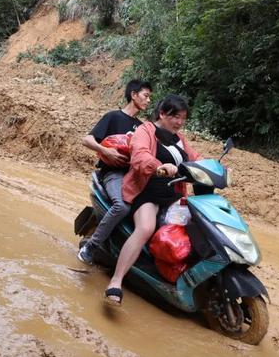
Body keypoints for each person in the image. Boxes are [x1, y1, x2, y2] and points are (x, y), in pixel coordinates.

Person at [104, 94, 202, 305]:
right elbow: (139, 155)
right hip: (147, 191)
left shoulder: (180, 139)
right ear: (162, 113)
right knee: (146, 228)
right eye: (176, 117)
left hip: (174, 195)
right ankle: (116, 281)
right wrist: (158, 167)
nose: (179, 122)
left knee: (197, 226)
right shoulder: (145, 131)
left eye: (183, 118)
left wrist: (216, 168)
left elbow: (195, 158)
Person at [77, 80, 153, 264]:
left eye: (150, 97)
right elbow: (87, 140)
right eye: (146, 95)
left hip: (133, 176)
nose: (149, 100)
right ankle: (91, 246)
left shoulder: (143, 127)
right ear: (133, 95)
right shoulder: (113, 117)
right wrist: (105, 150)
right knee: (122, 206)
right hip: (113, 173)